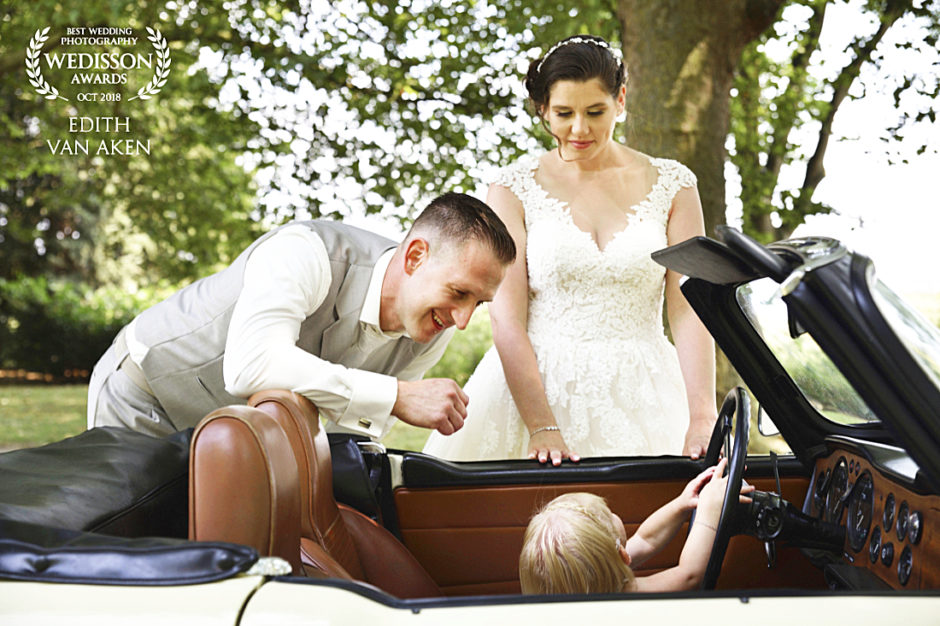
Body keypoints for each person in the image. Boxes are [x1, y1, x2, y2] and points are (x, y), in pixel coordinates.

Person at [423, 35, 717, 464]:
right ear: (542, 109)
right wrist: (542, 426)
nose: (579, 129)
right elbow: (507, 319)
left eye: (595, 112)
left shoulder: (674, 185)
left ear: (619, 101)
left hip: (648, 389)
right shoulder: (511, 189)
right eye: (563, 113)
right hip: (535, 390)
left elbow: (690, 307)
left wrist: (702, 413)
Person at [87, 192, 516, 440]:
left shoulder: (432, 325)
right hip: (146, 395)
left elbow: (351, 432)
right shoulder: (306, 252)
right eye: (459, 293)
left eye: (478, 303)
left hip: (235, 438)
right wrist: (397, 396)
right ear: (416, 256)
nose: (462, 320)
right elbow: (252, 366)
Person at [519, 458, 751, 594]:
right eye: (608, 514)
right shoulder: (631, 593)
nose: (612, 513)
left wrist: (681, 505)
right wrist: (709, 509)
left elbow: (647, 538)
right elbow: (690, 575)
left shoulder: (600, 576)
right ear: (622, 554)